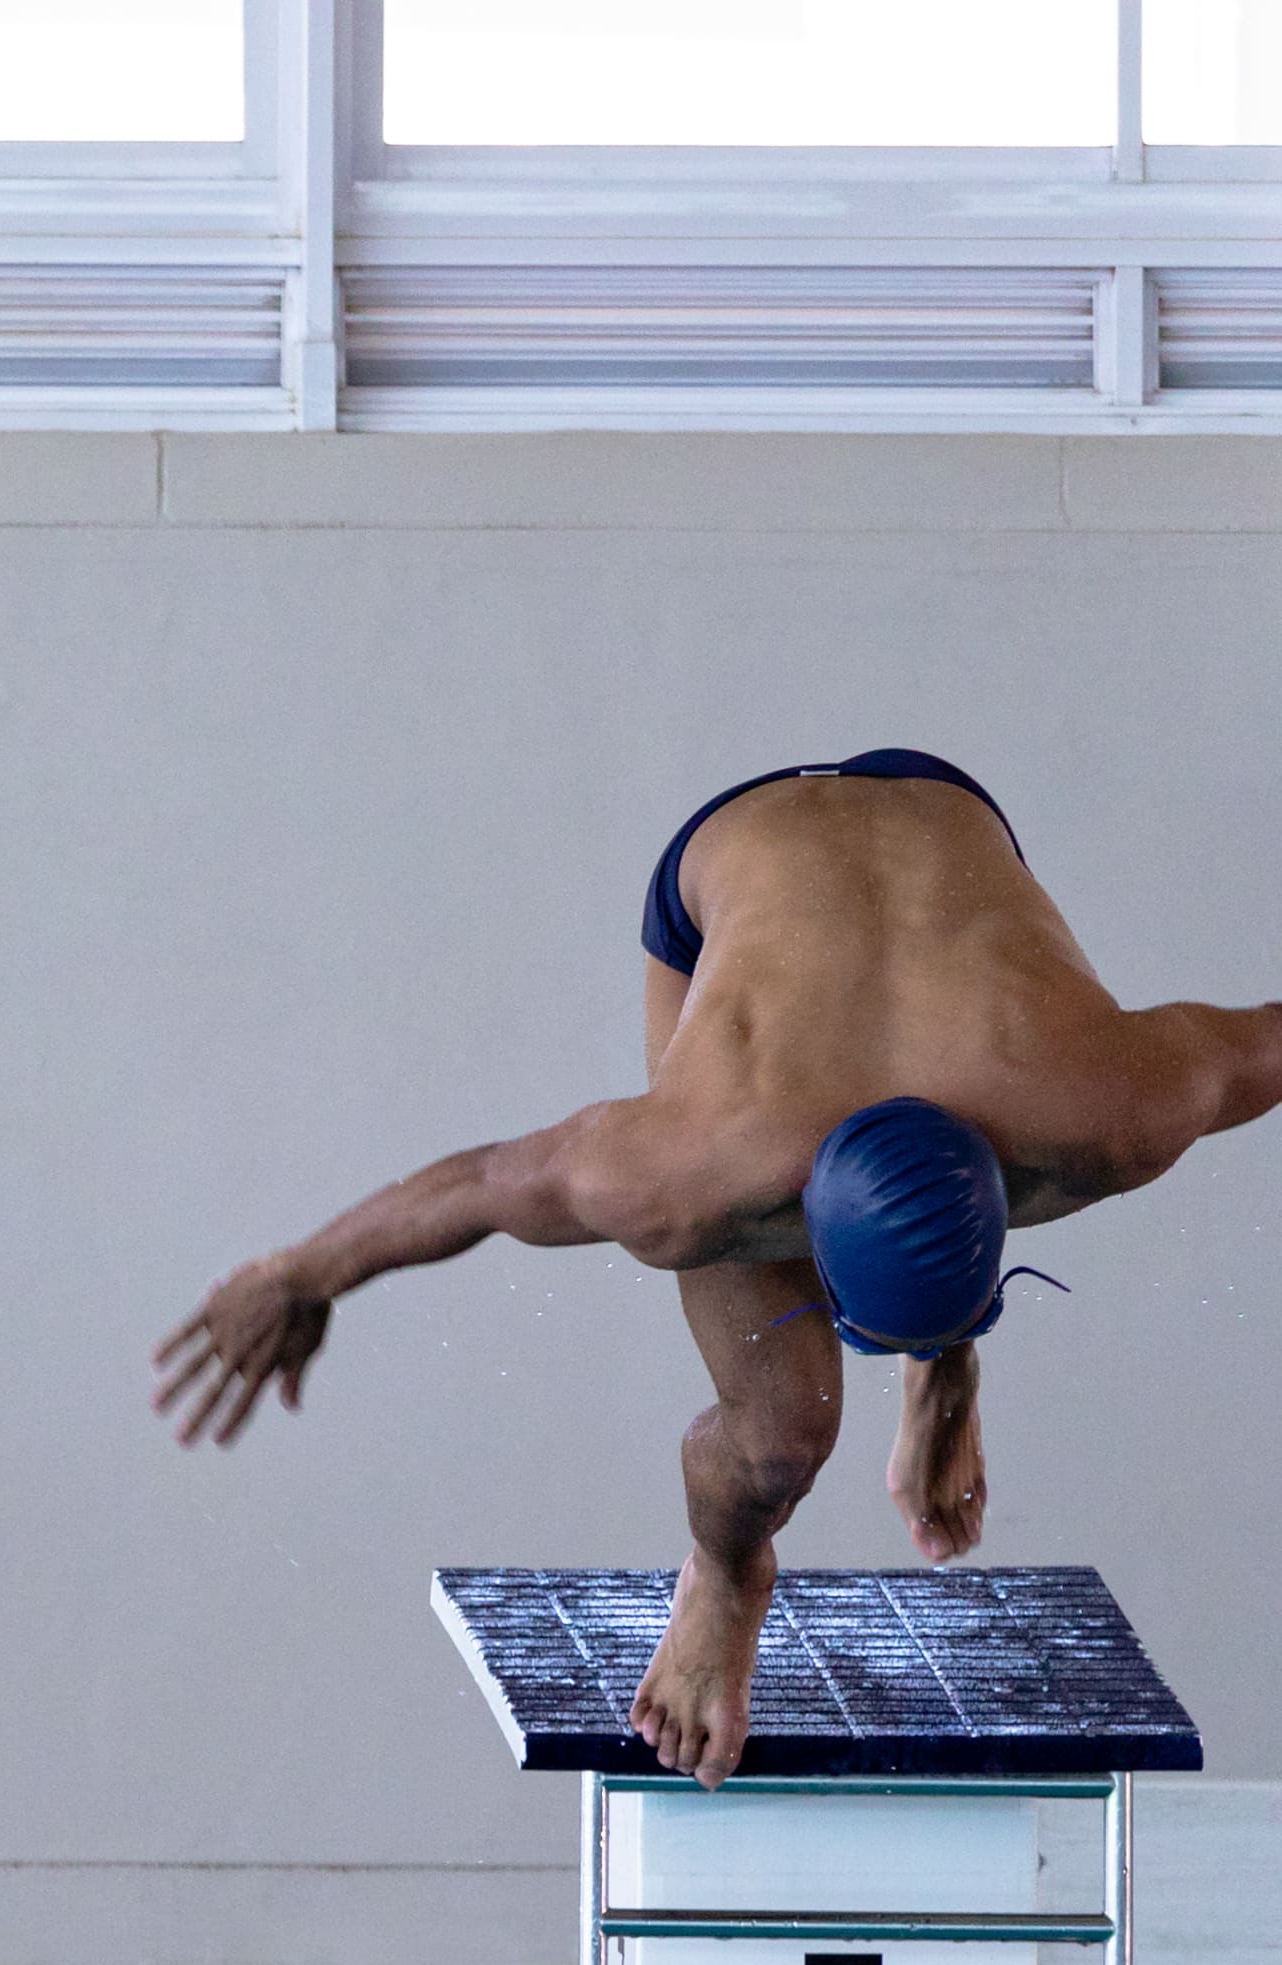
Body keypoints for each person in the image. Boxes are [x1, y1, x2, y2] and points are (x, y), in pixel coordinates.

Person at [151, 751, 1282, 1780]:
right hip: (723, 876)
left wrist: (940, 1342)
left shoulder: (1123, 1100)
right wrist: (297, 1275)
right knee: (785, 1430)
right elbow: (491, 1184)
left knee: (905, 1300)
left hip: (950, 830)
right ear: (792, 1223)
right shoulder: (693, 1168)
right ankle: (726, 1572)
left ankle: (944, 1366)